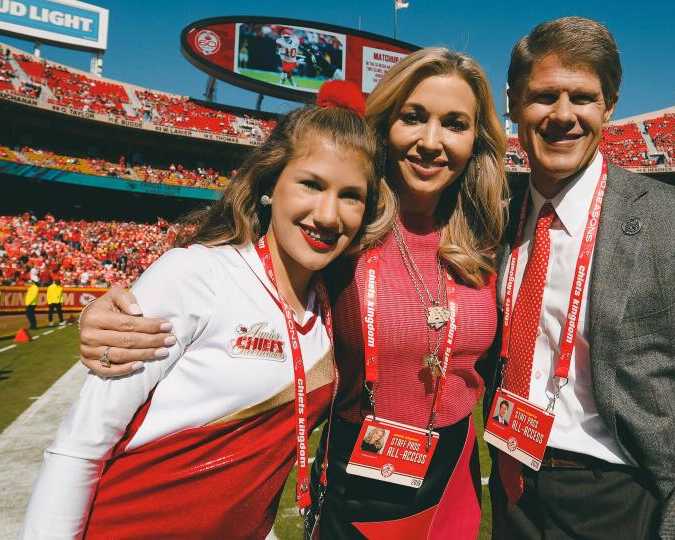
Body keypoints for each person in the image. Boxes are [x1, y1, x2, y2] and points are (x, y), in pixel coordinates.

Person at [75, 47, 508, 539]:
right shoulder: (345, 224)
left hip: (453, 469)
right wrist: (111, 313)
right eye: (413, 117)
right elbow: (238, 260)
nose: (431, 141)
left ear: (478, 139)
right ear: (385, 125)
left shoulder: (494, 235)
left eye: (455, 123)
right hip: (357, 474)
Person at [21, 83, 379, 539]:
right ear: (271, 183)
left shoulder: (334, 308)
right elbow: (79, 446)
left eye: (351, 195)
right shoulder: (196, 274)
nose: (329, 214)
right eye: (311, 184)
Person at [485, 17, 675, 538]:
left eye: (582, 97)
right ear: (511, 102)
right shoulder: (493, 217)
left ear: (609, 106)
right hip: (511, 484)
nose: (563, 115)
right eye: (543, 96)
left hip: (625, 496)